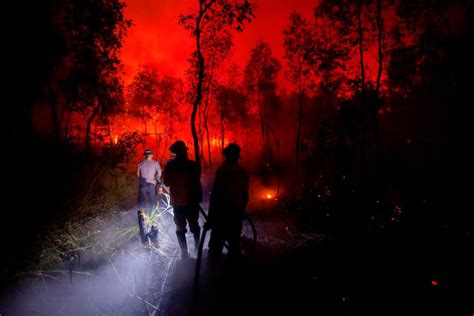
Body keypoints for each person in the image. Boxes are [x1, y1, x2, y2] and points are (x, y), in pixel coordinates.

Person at [207, 143, 249, 258]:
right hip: (236, 213)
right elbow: (245, 196)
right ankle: (233, 271)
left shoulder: (222, 171)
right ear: (236, 157)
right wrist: (241, 211)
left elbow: (216, 195)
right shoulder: (243, 172)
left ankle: (212, 273)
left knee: (215, 247)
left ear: (226, 156)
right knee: (234, 245)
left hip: (222, 214)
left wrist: (211, 218)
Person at [163, 141, 202, 258]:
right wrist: (198, 198)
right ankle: (197, 248)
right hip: (192, 201)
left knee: (180, 226)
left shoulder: (170, 165)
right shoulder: (193, 165)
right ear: (185, 152)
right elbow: (197, 183)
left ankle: (184, 253)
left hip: (178, 201)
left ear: (175, 153)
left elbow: (166, 182)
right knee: (194, 225)